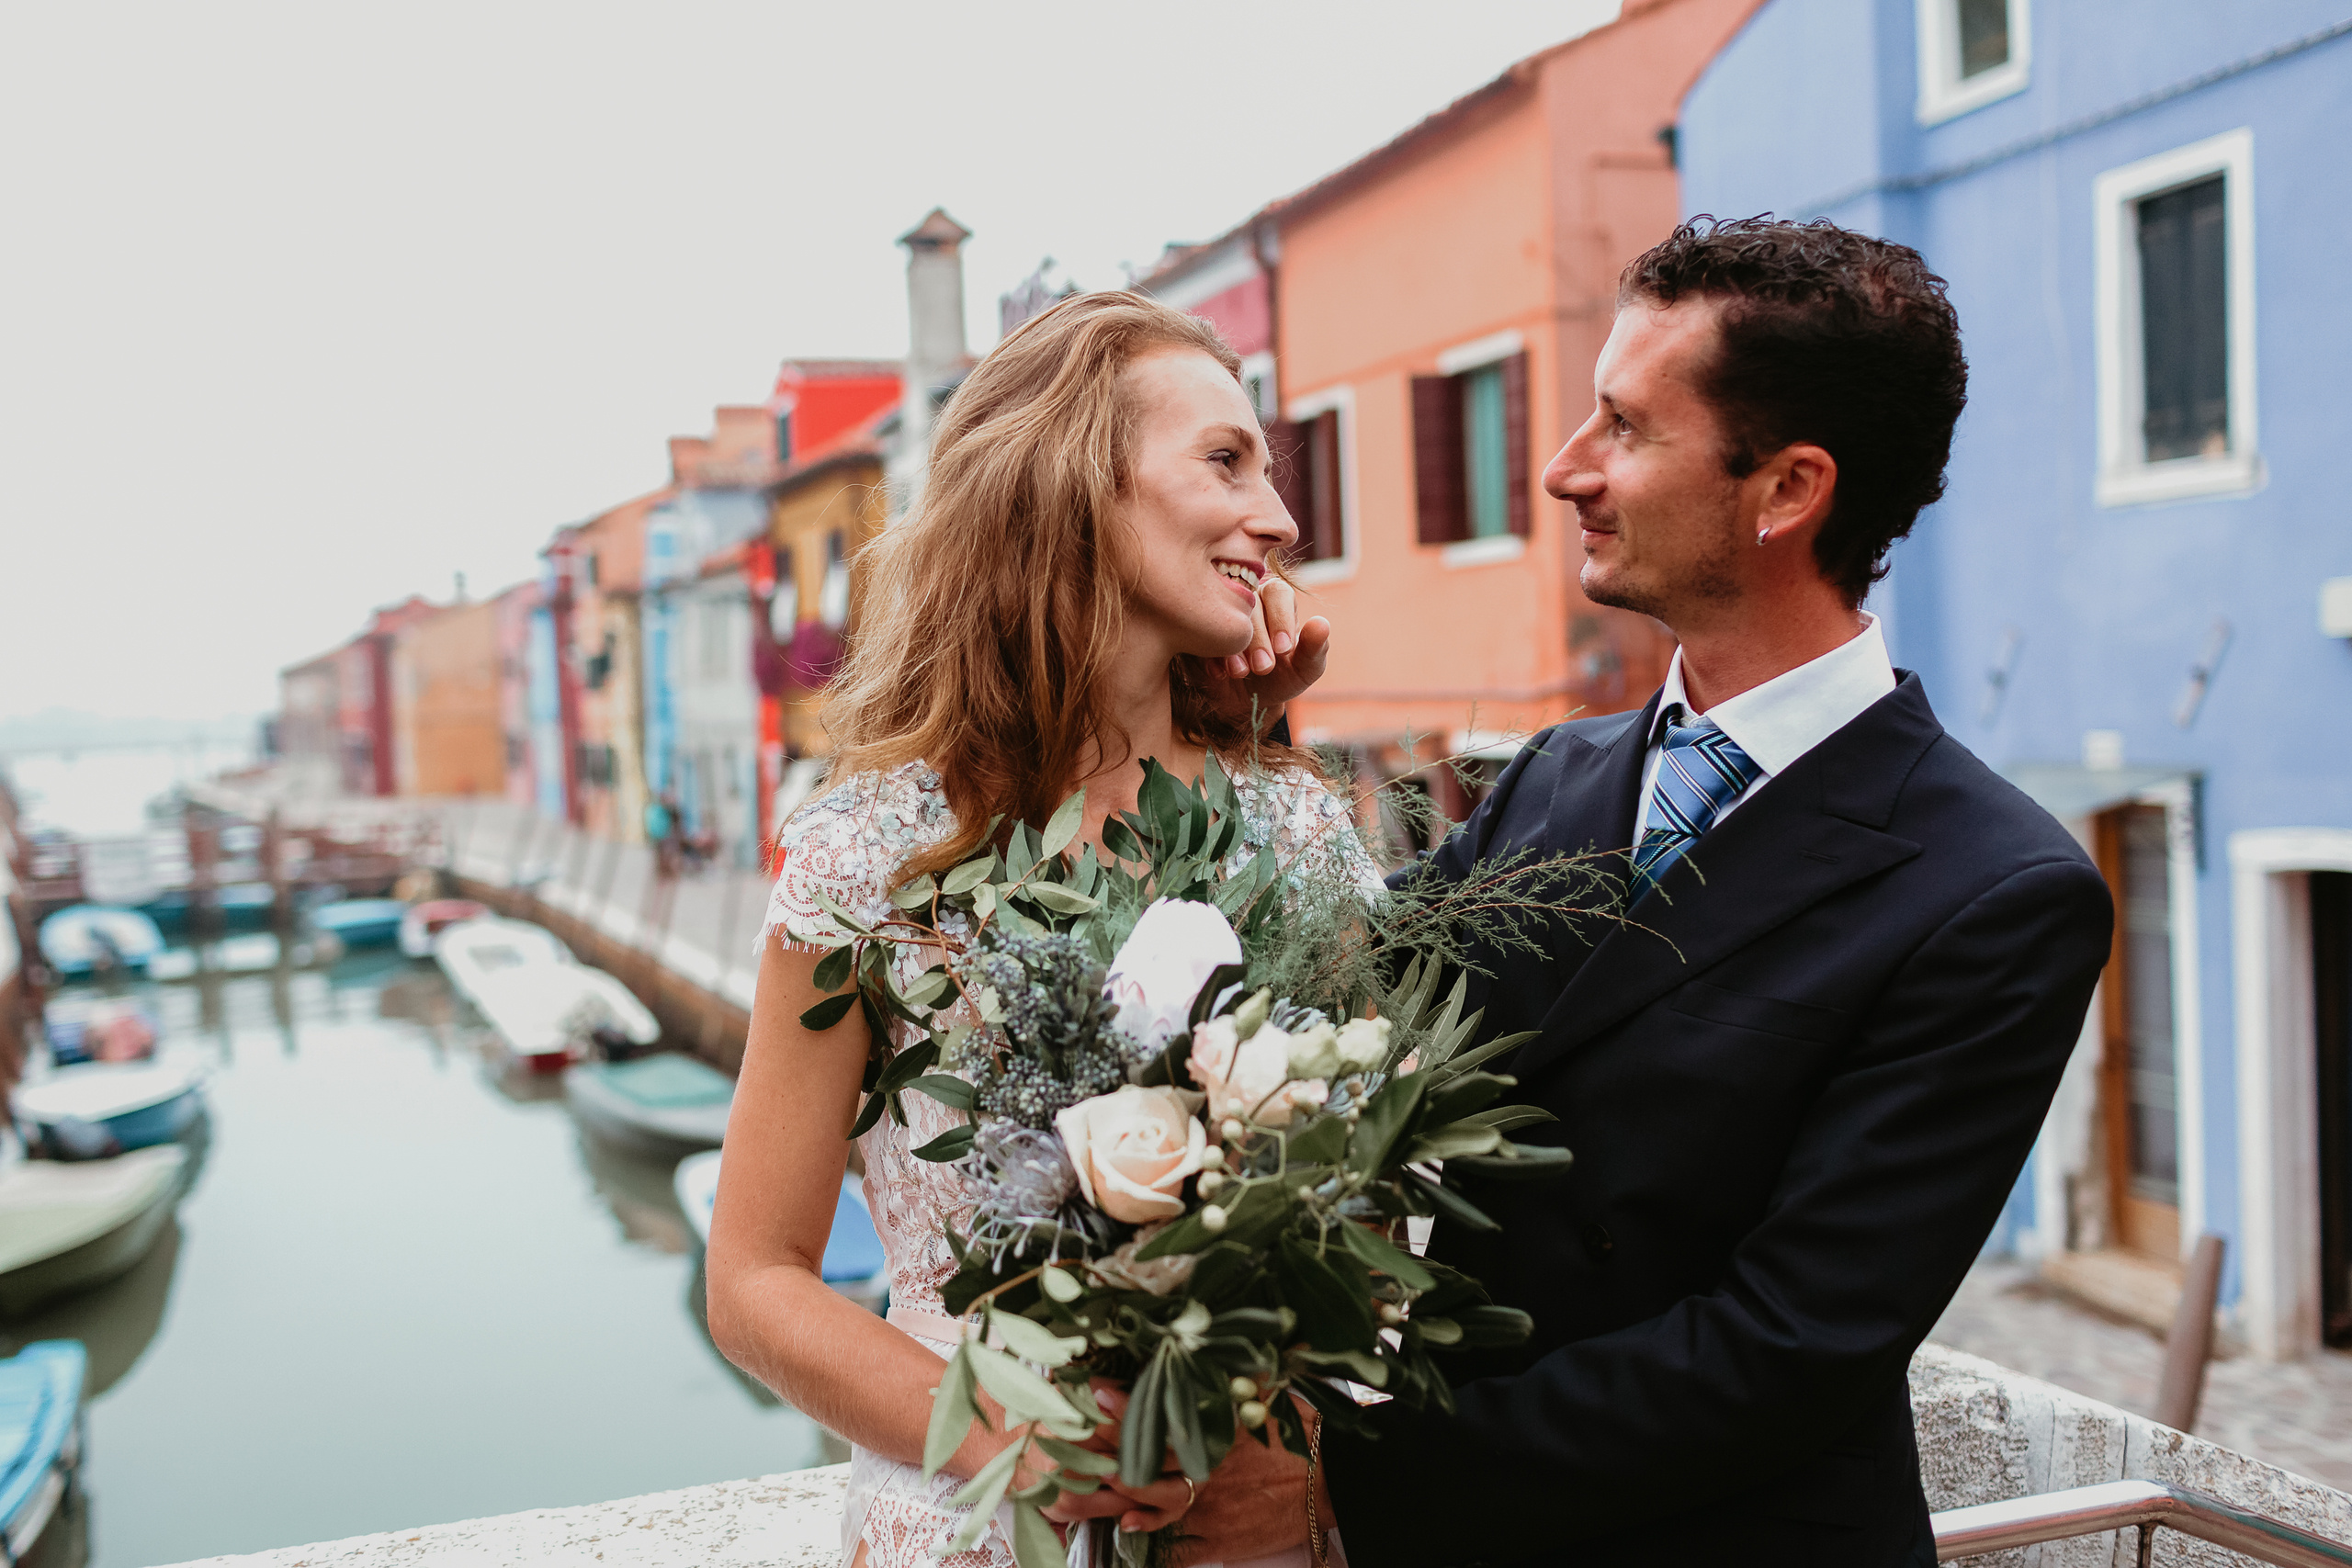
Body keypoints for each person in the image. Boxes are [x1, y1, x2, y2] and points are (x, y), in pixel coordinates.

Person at [1161, 218, 2117, 1565]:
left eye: (1623, 426)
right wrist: (1236, 749)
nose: (1563, 471)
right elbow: (1313, 1016)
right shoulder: (1558, 772)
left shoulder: (1998, 890)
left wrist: (1342, 1487)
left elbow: (1787, 1345)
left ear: (1786, 489)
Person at [704, 290, 1339, 1568]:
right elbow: (755, 1277)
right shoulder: (867, 855)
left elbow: (1364, 1218)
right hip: (973, 1526)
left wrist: (1305, 1451)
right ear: (1074, 487)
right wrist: (1002, 1431)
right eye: (1226, 461)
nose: (1278, 517)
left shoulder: (1304, 835)